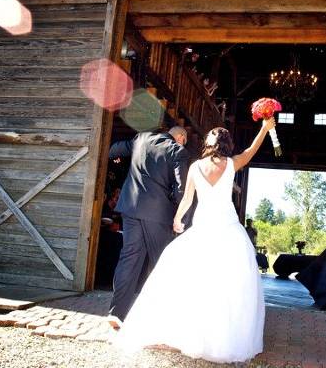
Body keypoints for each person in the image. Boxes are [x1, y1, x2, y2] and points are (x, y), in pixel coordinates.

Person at [114, 118, 276, 364]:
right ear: (227, 144)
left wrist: (177, 220)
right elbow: (251, 151)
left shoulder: (196, 167)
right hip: (229, 229)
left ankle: (184, 328)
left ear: (208, 144)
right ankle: (222, 336)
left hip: (202, 227)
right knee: (229, 282)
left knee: (192, 277)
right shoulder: (232, 165)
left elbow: (186, 199)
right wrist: (264, 129)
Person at [107, 126, 189, 325]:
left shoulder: (141, 138)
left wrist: (117, 160)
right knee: (162, 263)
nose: (183, 144)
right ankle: (161, 318)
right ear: (180, 137)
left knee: (129, 259)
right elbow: (181, 189)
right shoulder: (178, 150)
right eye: (184, 141)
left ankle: (116, 313)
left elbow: (114, 150)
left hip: (130, 208)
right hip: (159, 215)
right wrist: (181, 216)